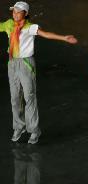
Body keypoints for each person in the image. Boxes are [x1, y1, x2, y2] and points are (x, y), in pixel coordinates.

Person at [1, 1, 77, 144]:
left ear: (26, 13)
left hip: (26, 64)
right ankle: (19, 126)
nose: (15, 14)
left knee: (29, 97)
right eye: (14, 11)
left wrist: (64, 38)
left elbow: (46, 34)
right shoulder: (9, 24)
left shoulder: (30, 27)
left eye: (18, 12)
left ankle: (34, 130)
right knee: (15, 98)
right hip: (12, 63)